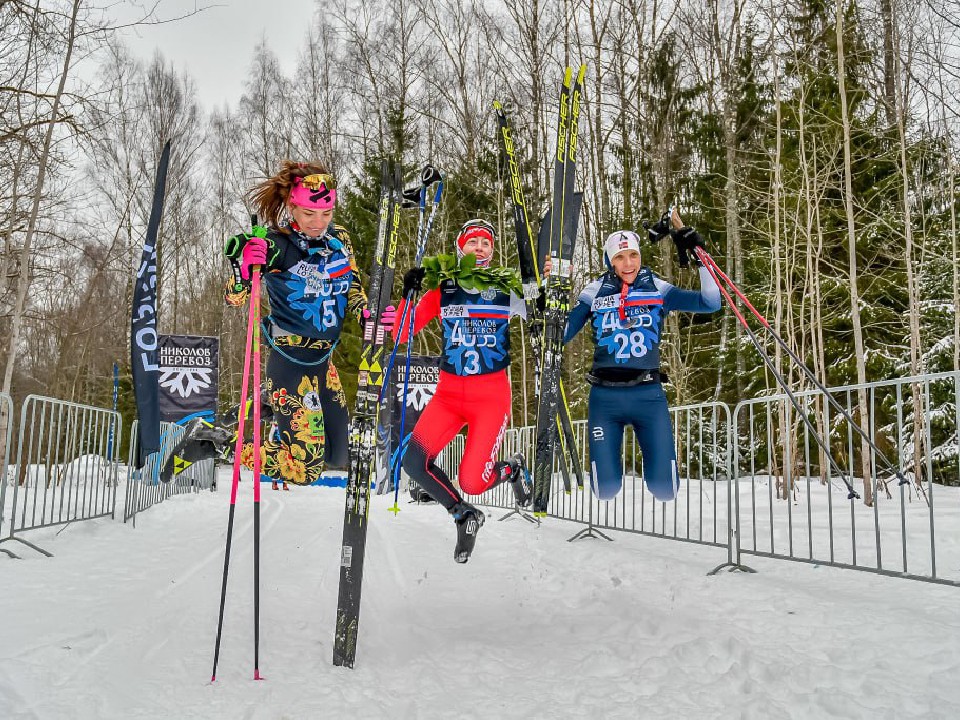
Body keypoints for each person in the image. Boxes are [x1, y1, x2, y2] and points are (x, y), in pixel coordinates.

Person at [224, 162, 394, 488]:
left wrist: (369, 315)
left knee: (341, 455)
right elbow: (235, 298)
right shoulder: (277, 244)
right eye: (308, 213)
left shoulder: (340, 239)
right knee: (304, 469)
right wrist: (243, 271)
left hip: (323, 364)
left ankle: (266, 403)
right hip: (289, 362)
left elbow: (354, 289)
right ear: (292, 207)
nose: (318, 223)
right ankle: (214, 441)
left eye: (326, 213)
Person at [549, 209, 720, 502]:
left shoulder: (657, 287)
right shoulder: (594, 291)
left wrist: (699, 255)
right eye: (619, 257)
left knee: (666, 489)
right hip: (605, 399)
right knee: (605, 489)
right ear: (609, 261)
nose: (628, 263)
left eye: (633, 255)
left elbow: (710, 302)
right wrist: (553, 290)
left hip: (648, 396)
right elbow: (561, 334)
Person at [392, 219, 531, 563]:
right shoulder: (444, 288)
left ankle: (511, 469)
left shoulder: (505, 288)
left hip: (489, 399)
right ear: (461, 247)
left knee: (472, 480)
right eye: (473, 242)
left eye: (486, 242)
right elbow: (402, 332)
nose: (480, 247)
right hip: (449, 397)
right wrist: (408, 294)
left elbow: (541, 311)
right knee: (413, 462)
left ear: (493, 250)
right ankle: (463, 514)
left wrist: (538, 285)